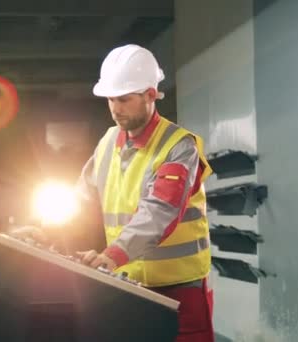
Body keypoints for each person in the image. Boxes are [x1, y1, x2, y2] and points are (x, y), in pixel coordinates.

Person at [73, 44, 215, 341]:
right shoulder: (108, 141)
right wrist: (52, 237)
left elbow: (160, 210)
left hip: (180, 293)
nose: (115, 108)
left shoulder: (179, 146)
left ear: (151, 95)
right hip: (127, 285)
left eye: (124, 99)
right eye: (110, 99)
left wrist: (112, 254)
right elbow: (80, 201)